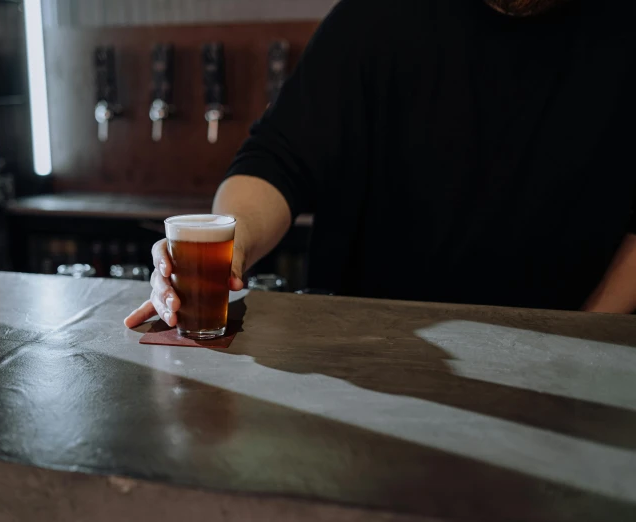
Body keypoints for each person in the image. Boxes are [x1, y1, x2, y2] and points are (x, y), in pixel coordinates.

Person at [125, 0, 636, 329]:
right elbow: (277, 159)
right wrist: (227, 247)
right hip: (366, 368)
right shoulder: (377, 18)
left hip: (567, 373)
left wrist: (587, 334)